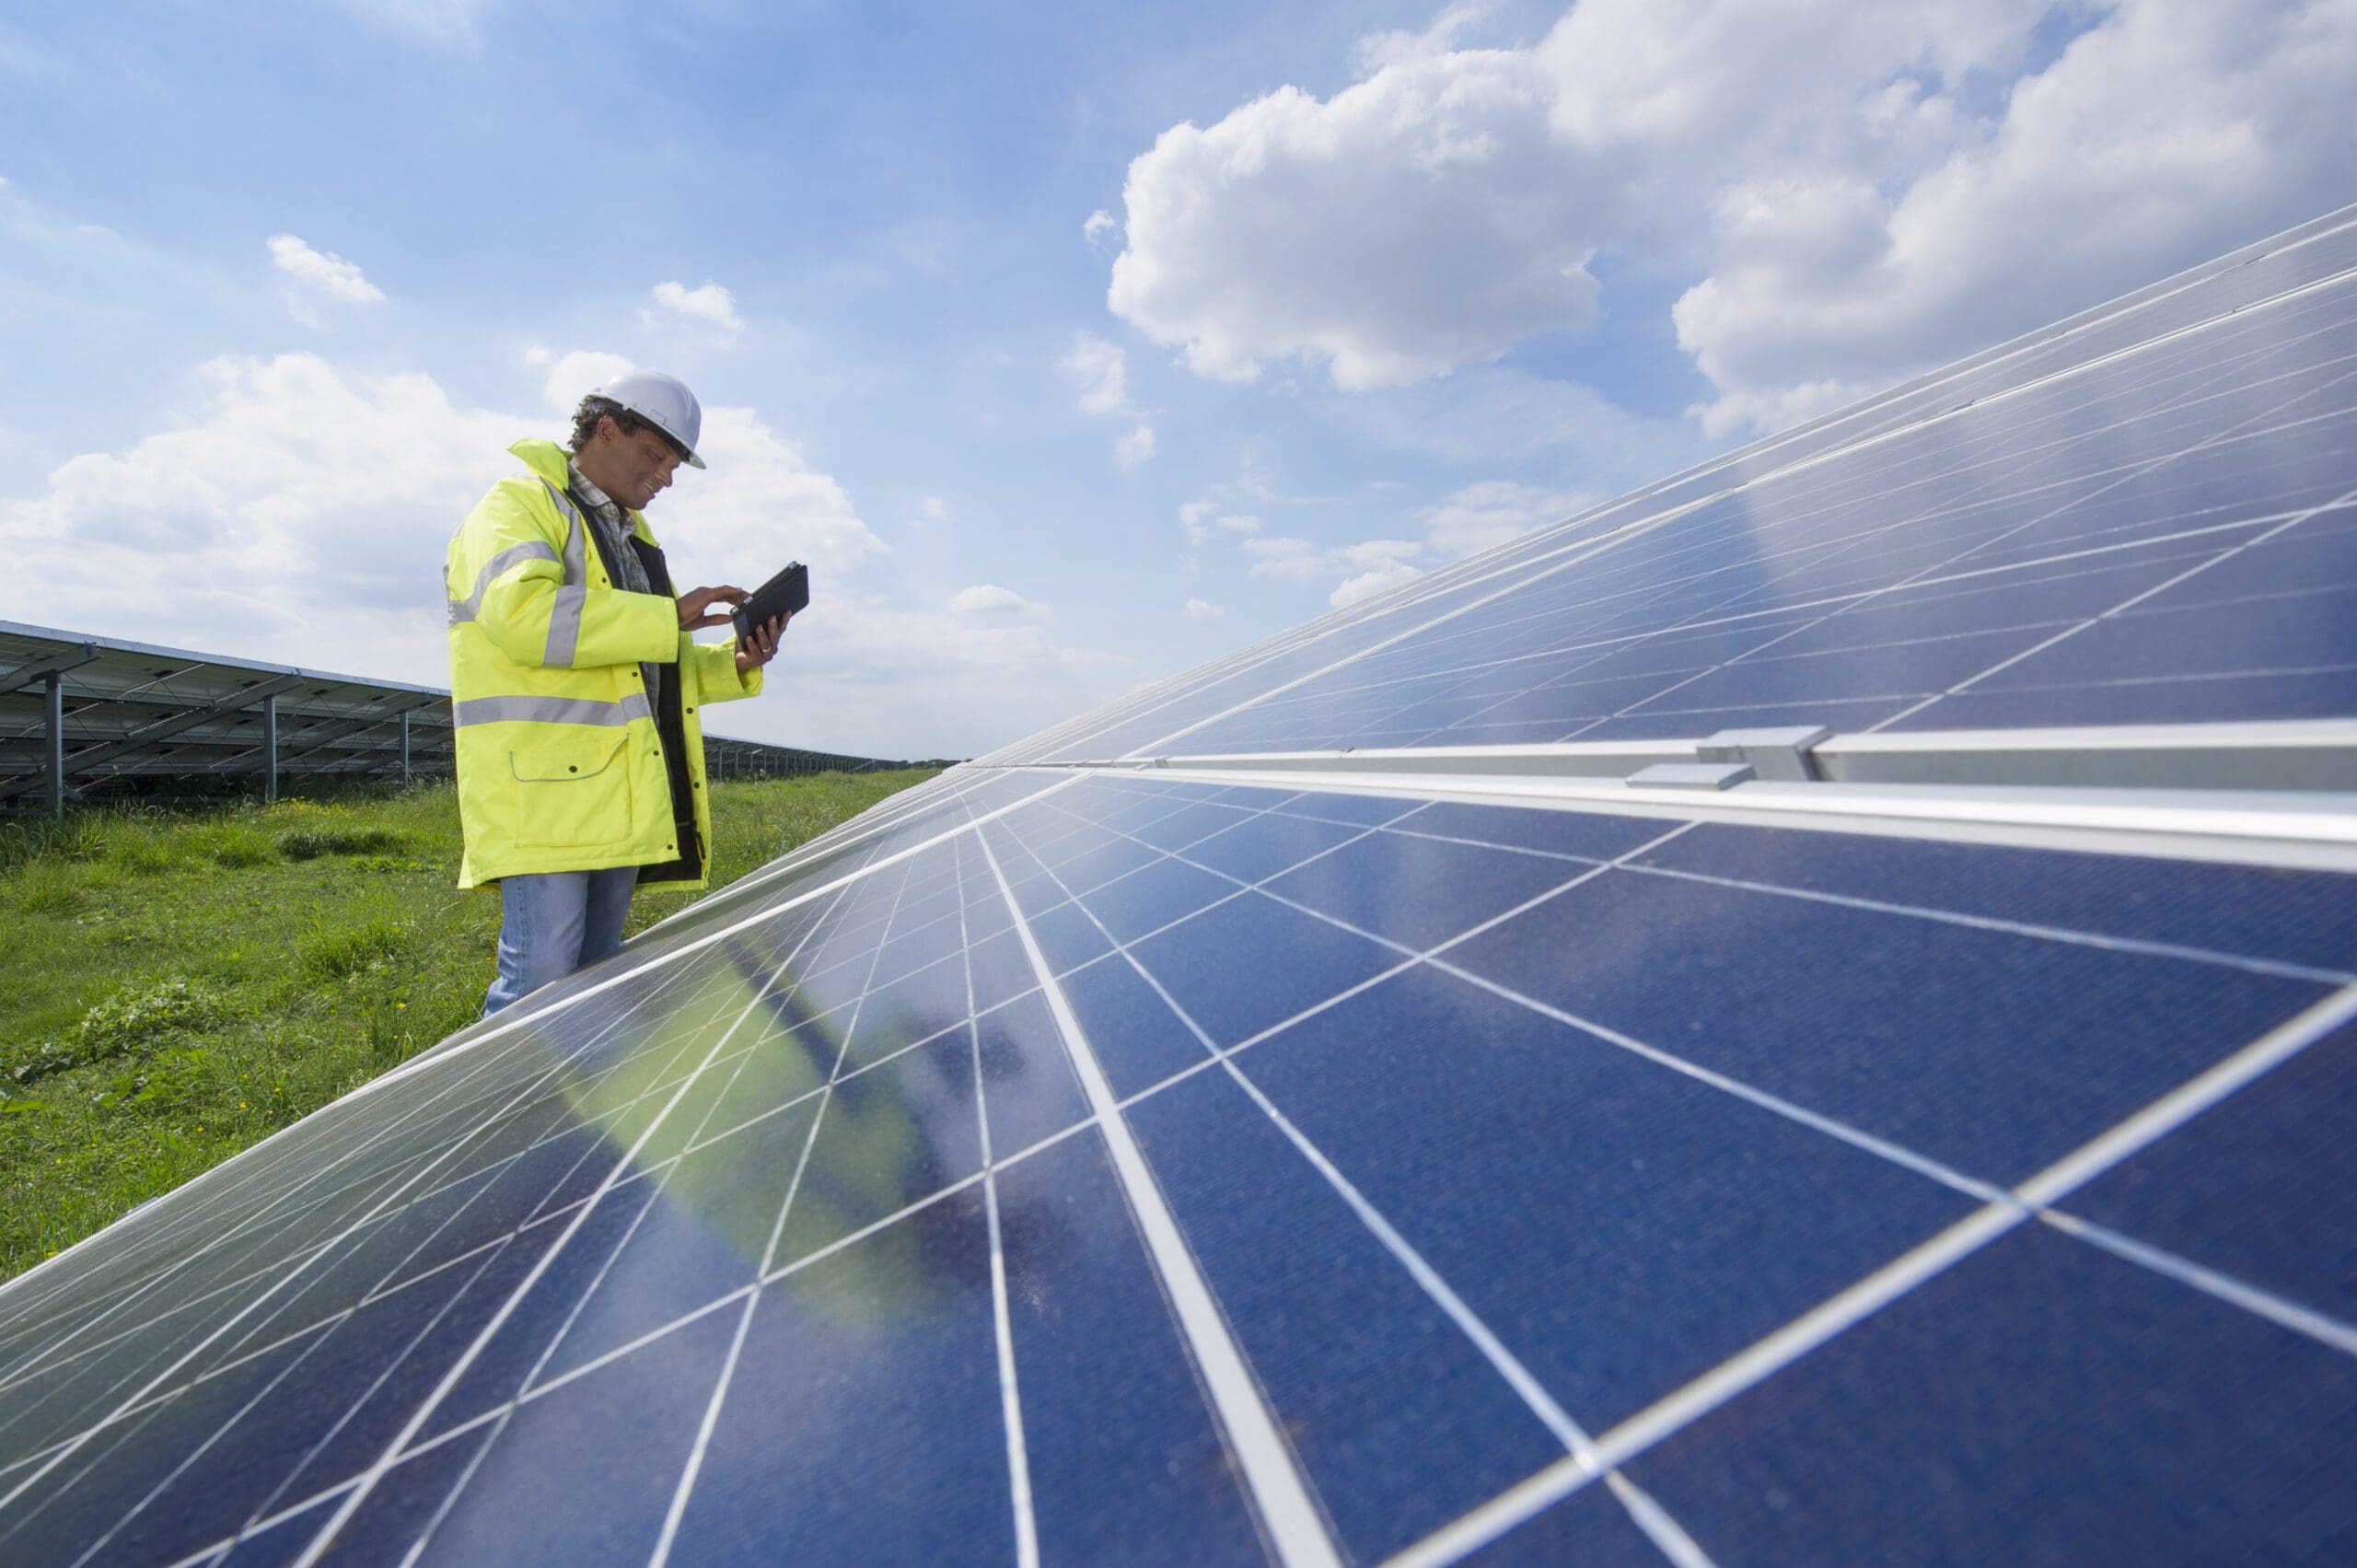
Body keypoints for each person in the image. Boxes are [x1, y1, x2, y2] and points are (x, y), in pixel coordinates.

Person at [443, 370, 790, 1015]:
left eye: (674, 465)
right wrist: (667, 616)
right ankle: (506, 1114)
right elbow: (520, 615)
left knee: (595, 981)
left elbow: (640, 669)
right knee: (538, 985)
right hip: (542, 794)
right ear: (607, 428)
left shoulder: (631, 540)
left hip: (614, 791)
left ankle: (569, 1115)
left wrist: (735, 661)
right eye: (656, 456)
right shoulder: (519, 504)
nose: (665, 477)